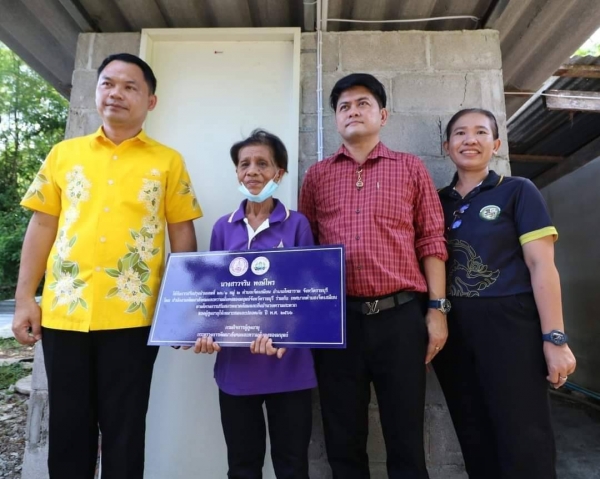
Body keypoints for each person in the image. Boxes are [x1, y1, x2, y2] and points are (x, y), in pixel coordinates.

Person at [12, 53, 202, 478]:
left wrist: (181, 310)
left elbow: (182, 235)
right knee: (68, 430)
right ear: (96, 91)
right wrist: (25, 298)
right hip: (65, 313)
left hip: (133, 318)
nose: (116, 93)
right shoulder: (64, 155)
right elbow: (42, 225)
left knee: (125, 431)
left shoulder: (168, 162)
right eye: (108, 83)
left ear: (150, 101)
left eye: (130, 86)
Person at [299, 73, 449, 479]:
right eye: (344, 106)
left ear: (383, 115)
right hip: (338, 322)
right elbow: (307, 249)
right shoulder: (317, 176)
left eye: (362, 103)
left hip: (400, 318)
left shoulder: (411, 168)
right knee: (342, 437)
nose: (353, 111)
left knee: (405, 434)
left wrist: (437, 310)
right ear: (336, 119)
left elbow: (432, 240)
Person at [433, 108, 577, 479]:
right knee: (473, 434)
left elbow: (542, 266)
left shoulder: (517, 190)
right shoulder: (436, 202)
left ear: (496, 144)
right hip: (454, 332)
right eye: (460, 133)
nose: (470, 140)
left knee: (524, 434)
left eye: (481, 132)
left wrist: (555, 338)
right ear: (446, 146)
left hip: (510, 326)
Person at [194, 129, 316, 479]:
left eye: (263, 163)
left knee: (292, 467)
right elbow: (214, 296)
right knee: (243, 466)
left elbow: (309, 295)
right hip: (236, 369)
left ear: (279, 173)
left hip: (288, 366)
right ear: (236, 172)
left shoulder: (297, 225)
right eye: (244, 164)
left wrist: (285, 336)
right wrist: (206, 331)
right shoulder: (223, 228)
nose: (252, 171)